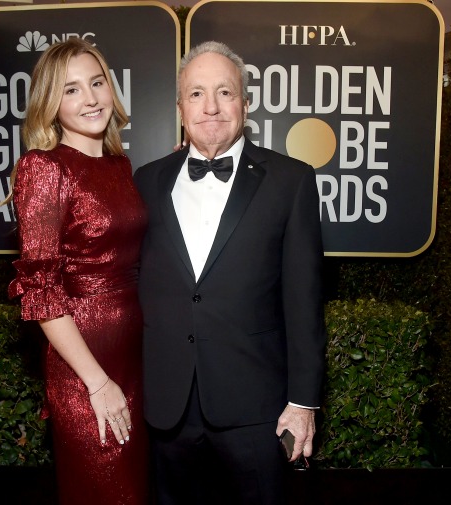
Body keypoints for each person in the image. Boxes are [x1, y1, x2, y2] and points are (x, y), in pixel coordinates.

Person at [133, 41, 327, 505]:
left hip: (257, 409)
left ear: (245, 101)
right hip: (167, 406)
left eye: (225, 91)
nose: (212, 107)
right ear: (180, 107)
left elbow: (305, 305)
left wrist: (303, 404)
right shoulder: (146, 180)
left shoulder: (291, 180)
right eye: (197, 94)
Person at [7, 38, 148, 505]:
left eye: (96, 82)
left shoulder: (121, 165)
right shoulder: (44, 169)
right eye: (70, 90)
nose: (90, 99)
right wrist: (98, 382)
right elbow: (42, 293)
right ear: (50, 103)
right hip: (85, 366)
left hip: (134, 358)